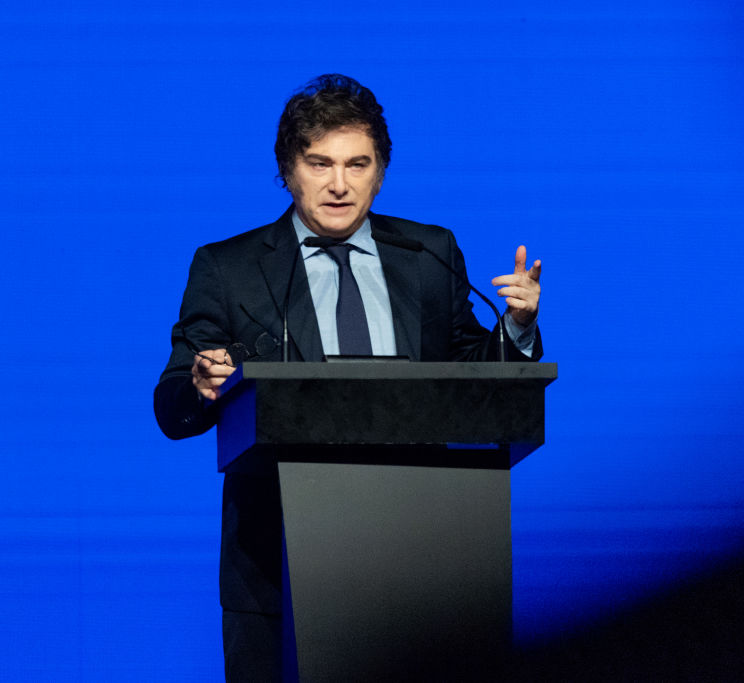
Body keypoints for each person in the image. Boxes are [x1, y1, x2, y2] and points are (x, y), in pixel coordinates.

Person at [153, 74, 542, 680]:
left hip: (428, 552)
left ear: (380, 171)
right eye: (320, 163)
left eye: (357, 164)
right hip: (278, 560)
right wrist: (201, 387)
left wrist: (515, 328)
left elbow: (477, 378)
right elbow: (172, 406)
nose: (339, 184)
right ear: (288, 168)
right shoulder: (229, 268)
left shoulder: (429, 253)